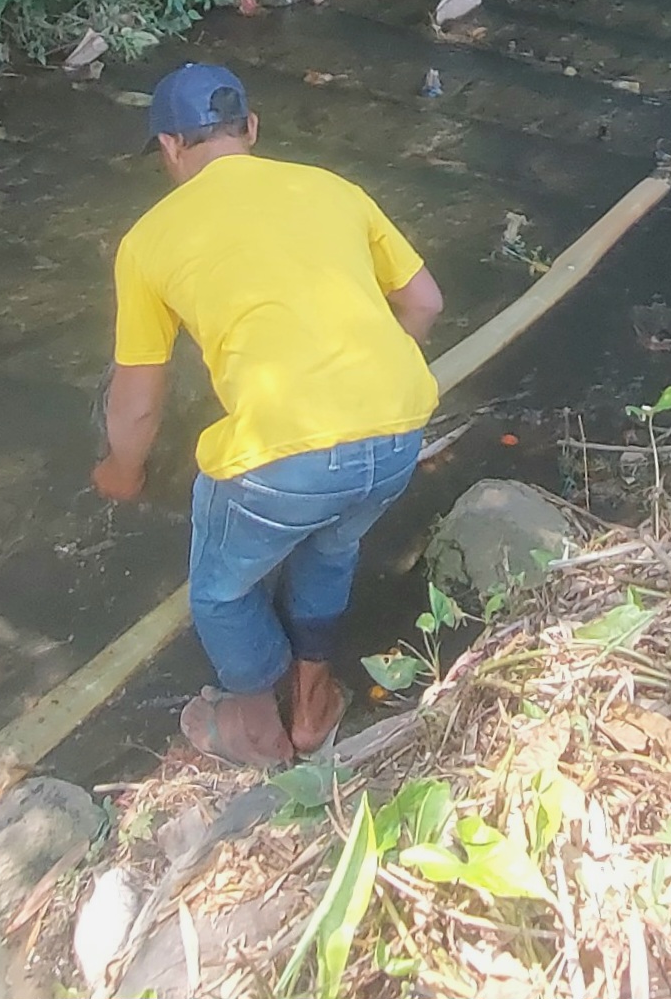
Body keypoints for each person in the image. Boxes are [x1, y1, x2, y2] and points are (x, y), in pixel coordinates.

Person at [93, 63, 447, 764]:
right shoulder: (333, 188)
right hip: (399, 431)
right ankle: (313, 708)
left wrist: (121, 470)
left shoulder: (148, 239)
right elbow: (425, 303)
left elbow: (138, 400)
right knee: (330, 546)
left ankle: (256, 724)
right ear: (251, 129)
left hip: (283, 460)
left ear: (169, 146)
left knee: (222, 592)